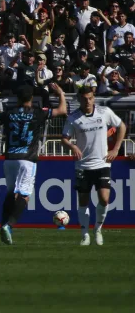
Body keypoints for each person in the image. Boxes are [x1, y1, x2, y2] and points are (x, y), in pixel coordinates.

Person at [0, 83, 68, 245]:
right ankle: (9, 225)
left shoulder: (8, 113)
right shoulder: (38, 113)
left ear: (17, 98)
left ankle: (4, 224)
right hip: (27, 159)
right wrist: (60, 93)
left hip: (10, 159)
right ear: (31, 98)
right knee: (24, 195)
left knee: (11, 193)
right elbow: (62, 111)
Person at [61, 86, 126, 246]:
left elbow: (121, 126)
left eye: (90, 98)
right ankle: (85, 234)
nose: (88, 101)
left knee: (104, 199)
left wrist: (116, 148)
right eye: (84, 99)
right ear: (79, 99)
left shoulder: (104, 112)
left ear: (94, 98)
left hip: (102, 163)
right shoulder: (73, 118)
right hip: (83, 165)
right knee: (83, 200)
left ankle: (97, 229)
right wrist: (73, 146)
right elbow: (64, 138)